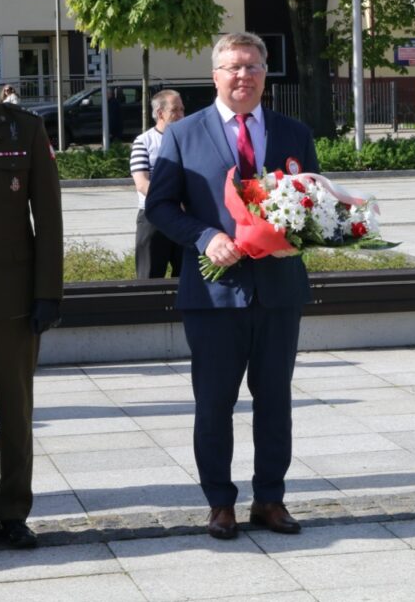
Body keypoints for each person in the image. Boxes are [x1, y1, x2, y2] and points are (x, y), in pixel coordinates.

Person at [146, 32, 319, 540]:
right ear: (215, 75)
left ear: (266, 73)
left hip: (278, 289)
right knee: (214, 403)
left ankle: (270, 498)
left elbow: (312, 200)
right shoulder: (184, 134)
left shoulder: (294, 132)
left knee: (276, 401)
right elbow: (159, 206)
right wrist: (205, 237)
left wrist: (300, 235)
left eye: (253, 66)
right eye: (233, 67)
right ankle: (220, 503)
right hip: (213, 295)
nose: (243, 75)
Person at [0, 27, 64, 553]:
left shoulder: (24, 128)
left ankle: (14, 512)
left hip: (12, 299)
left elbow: (48, 218)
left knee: (17, 412)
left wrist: (48, 293)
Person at [130, 90, 185, 279]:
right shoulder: (143, 142)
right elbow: (142, 183)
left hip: (184, 218)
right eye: (175, 110)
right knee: (149, 279)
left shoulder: (189, 140)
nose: (181, 115)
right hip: (153, 217)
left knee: (186, 278)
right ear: (160, 113)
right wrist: (170, 202)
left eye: (182, 109)